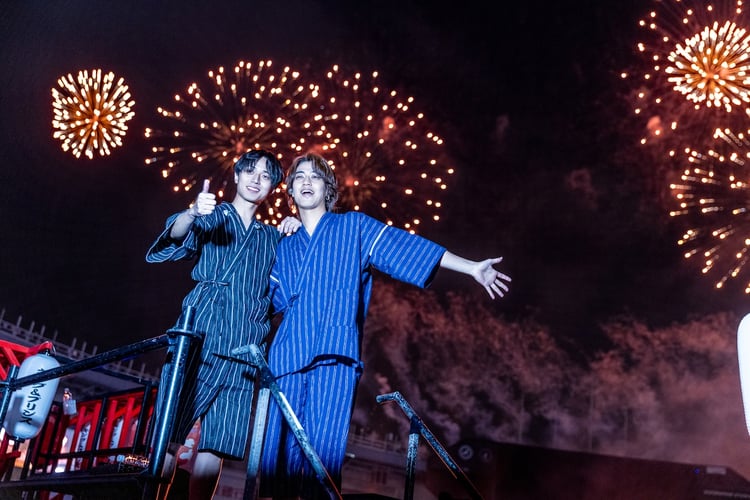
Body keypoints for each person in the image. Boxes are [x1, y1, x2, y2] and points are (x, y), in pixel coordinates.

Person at [259, 153, 511, 499]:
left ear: (327, 189)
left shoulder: (354, 227)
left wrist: (471, 268)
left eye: (315, 176)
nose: (306, 181)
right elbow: (262, 301)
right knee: (277, 462)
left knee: (323, 459)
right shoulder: (284, 245)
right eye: (299, 176)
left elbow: (406, 247)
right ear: (289, 190)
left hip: (335, 354)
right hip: (287, 356)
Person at [146, 149, 300, 500]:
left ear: (273, 187)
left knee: (218, 443)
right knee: (171, 433)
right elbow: (177, 234)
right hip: (201, 331)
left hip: (246, 344)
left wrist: (295, 229)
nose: (256, 179)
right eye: (250, 171)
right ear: (236, 175)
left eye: (266, 176)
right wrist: (191, 212)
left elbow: (288, 278)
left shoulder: (271, 236)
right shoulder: (213, 214)